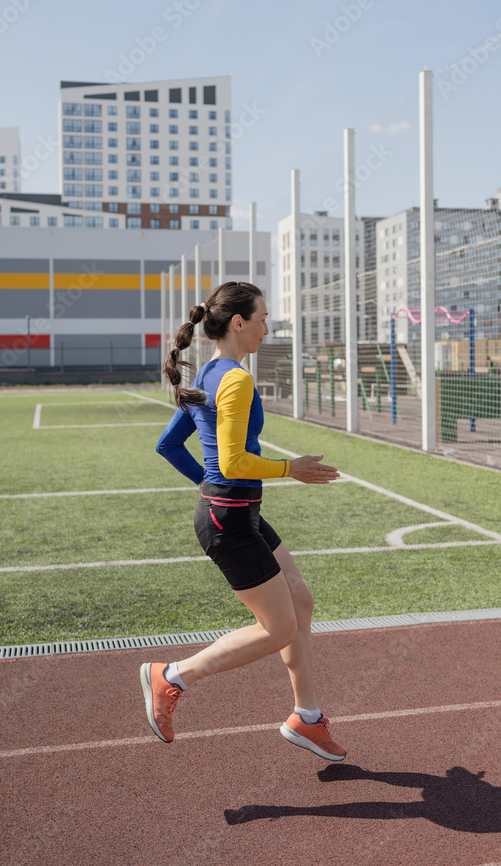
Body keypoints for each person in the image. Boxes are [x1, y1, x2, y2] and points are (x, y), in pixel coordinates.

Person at [140, 280, 346, 761]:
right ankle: (170, 677)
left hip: (234, 511)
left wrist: (208, 486)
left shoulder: (210, 374)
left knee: (301, 603)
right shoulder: (233, 380)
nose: (266, 329)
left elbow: (169, 447)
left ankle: (307, 718)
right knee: (279, 629)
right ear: (238, 323)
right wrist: (288, 469)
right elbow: (233, 464)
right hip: (228, 520)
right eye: (262, 319)